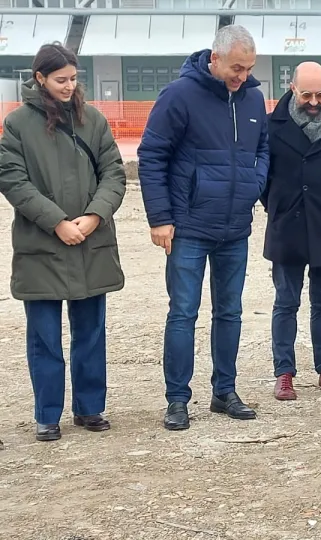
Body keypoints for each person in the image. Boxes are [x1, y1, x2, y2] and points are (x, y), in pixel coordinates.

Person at [138, 25, 269, 431]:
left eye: (248, 68)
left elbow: (262, 148)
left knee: (230, 312)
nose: (242, 76)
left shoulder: (253, 98)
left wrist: (254, 183)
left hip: (235, 227)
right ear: (214, 58)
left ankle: (224, 391)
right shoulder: (179, 96)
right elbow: (151, 156)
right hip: (189, 227)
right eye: (236, 67)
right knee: (183, 313)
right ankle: (177, 399)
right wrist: (160, 218)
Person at [0, 43, 126, 441]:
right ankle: (47, 414)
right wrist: (56, 222)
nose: (69, 86)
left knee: (90, 332)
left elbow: (114, 174)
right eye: (61, 80)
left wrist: (93, 217)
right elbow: (13, 180)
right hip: (43, 246)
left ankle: (90, 408)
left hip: (91, 241)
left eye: (73, 78)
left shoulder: (93, 121)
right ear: (40, 79)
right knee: (44, 338)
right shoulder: (18, 124)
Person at [262, 62, 321, 400]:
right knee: (285, 302)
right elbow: (264, 176)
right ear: (292, 90)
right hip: (287, 225)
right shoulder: (271, 126)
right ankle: (284, 372)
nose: (314, 101)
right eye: (307, 95)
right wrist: (279, 205)